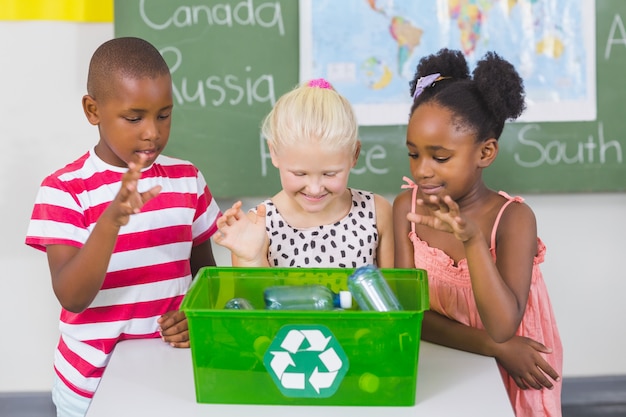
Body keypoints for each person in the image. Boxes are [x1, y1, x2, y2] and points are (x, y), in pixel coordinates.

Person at [25, 37, 221, 417]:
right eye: (134, 118)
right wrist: (110, 223)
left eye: (164, 115)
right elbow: (71, 296)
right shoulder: (65, 190)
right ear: (93, 110)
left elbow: (204, 275)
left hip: (173, 376)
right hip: (91, 388)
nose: (152, 132)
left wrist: (194, 315)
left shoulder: (186, 179)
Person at [393, 48, 563, 417]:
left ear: (485, 152)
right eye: (413, 154)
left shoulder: (514, 219)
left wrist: (473, 242)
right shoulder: (406, 209)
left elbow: (504, 326)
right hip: (445, 363)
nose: (422, 171)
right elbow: (410, 314)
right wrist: (496, 347)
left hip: (514, 369)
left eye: (439, 157)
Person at [214, 78, 393, 268]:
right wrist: (251, 259)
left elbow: (392, 294)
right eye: (300, 174)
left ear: (354, 154)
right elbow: (250, 298)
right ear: (274, 153)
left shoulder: (376, 213)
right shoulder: (257, 225)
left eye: (330, 174)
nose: (315, 189)